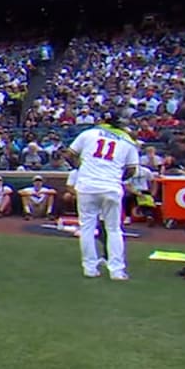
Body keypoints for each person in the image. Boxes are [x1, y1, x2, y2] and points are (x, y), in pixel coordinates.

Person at [65, 115, 140, 280]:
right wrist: (118, 178)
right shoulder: (127, 141)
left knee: (87, 228)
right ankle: (116, 270)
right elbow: (132, 170)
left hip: (87, 185)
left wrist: (81, 169)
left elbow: (69, 155)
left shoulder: (89, 133)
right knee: (114, 229)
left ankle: (89, 268)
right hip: (111, 186)